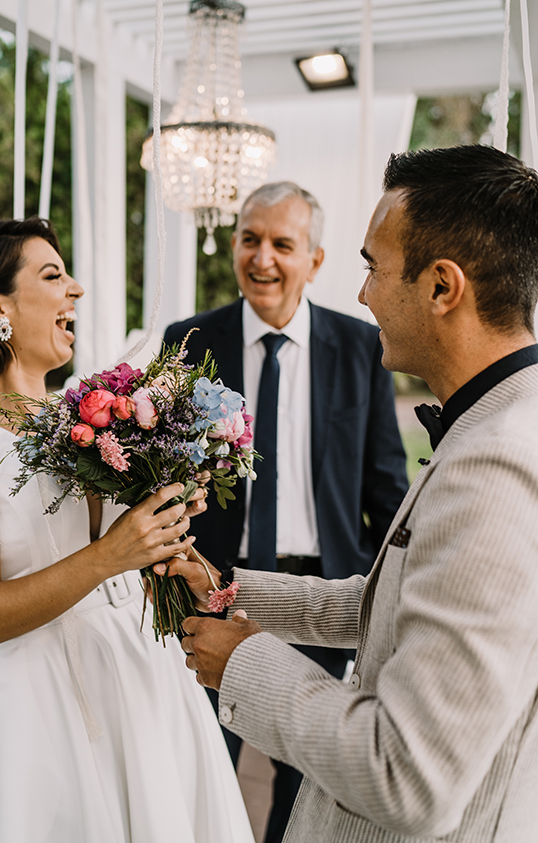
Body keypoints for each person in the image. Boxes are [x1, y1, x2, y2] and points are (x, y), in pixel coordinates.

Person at [167, 145, 538, 842]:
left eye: (373, 268)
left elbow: (407, 775)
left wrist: (243, 661)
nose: (363, 295)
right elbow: (391, 601)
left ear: (442, 287)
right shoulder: (497, 420)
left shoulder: (498, 465)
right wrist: (230, 589)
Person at [0, 217, 255, 843]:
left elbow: (133, 562)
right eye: (53, 275)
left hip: (150, 681)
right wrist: (113, 553)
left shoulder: (94, 422)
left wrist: (168, 534)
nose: (76, 289)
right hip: (47, 703)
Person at [164, 182, 408, 842]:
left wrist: (392, 593)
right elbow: (167, 475)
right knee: (199, 767)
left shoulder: (362, 345)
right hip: (213, 586)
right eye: (250, 239)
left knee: (306, 784)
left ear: (315, 260)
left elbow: (385, 483)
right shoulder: (189, 340)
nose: (262, 257)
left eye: (282, 244)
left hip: (325, 593)